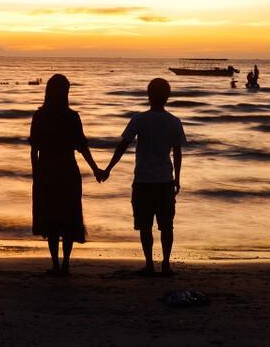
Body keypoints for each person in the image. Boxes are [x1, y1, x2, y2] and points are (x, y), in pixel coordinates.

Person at [104, 78, 186, 276]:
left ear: (148, 95)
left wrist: (108, 169)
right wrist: (177, 179)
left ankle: (149, 264)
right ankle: (165, 264)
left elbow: (123, 145)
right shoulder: (174, 121)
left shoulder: (139, 119)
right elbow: (177, 152)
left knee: (145, 226)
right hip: (165, 180)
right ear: (167, 97)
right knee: (166, 226)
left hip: (143, 180)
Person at [29, 74, 106, 276]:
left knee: (52, 219)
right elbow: (82, 147)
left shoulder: (39, 116)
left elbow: (33, 150)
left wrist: (36, 173)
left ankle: (55, 264)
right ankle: (66, 264)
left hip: (46, 171)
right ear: (66, 93)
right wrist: (96, 169)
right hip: (68, 170)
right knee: (69, 218)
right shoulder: (72, 117)